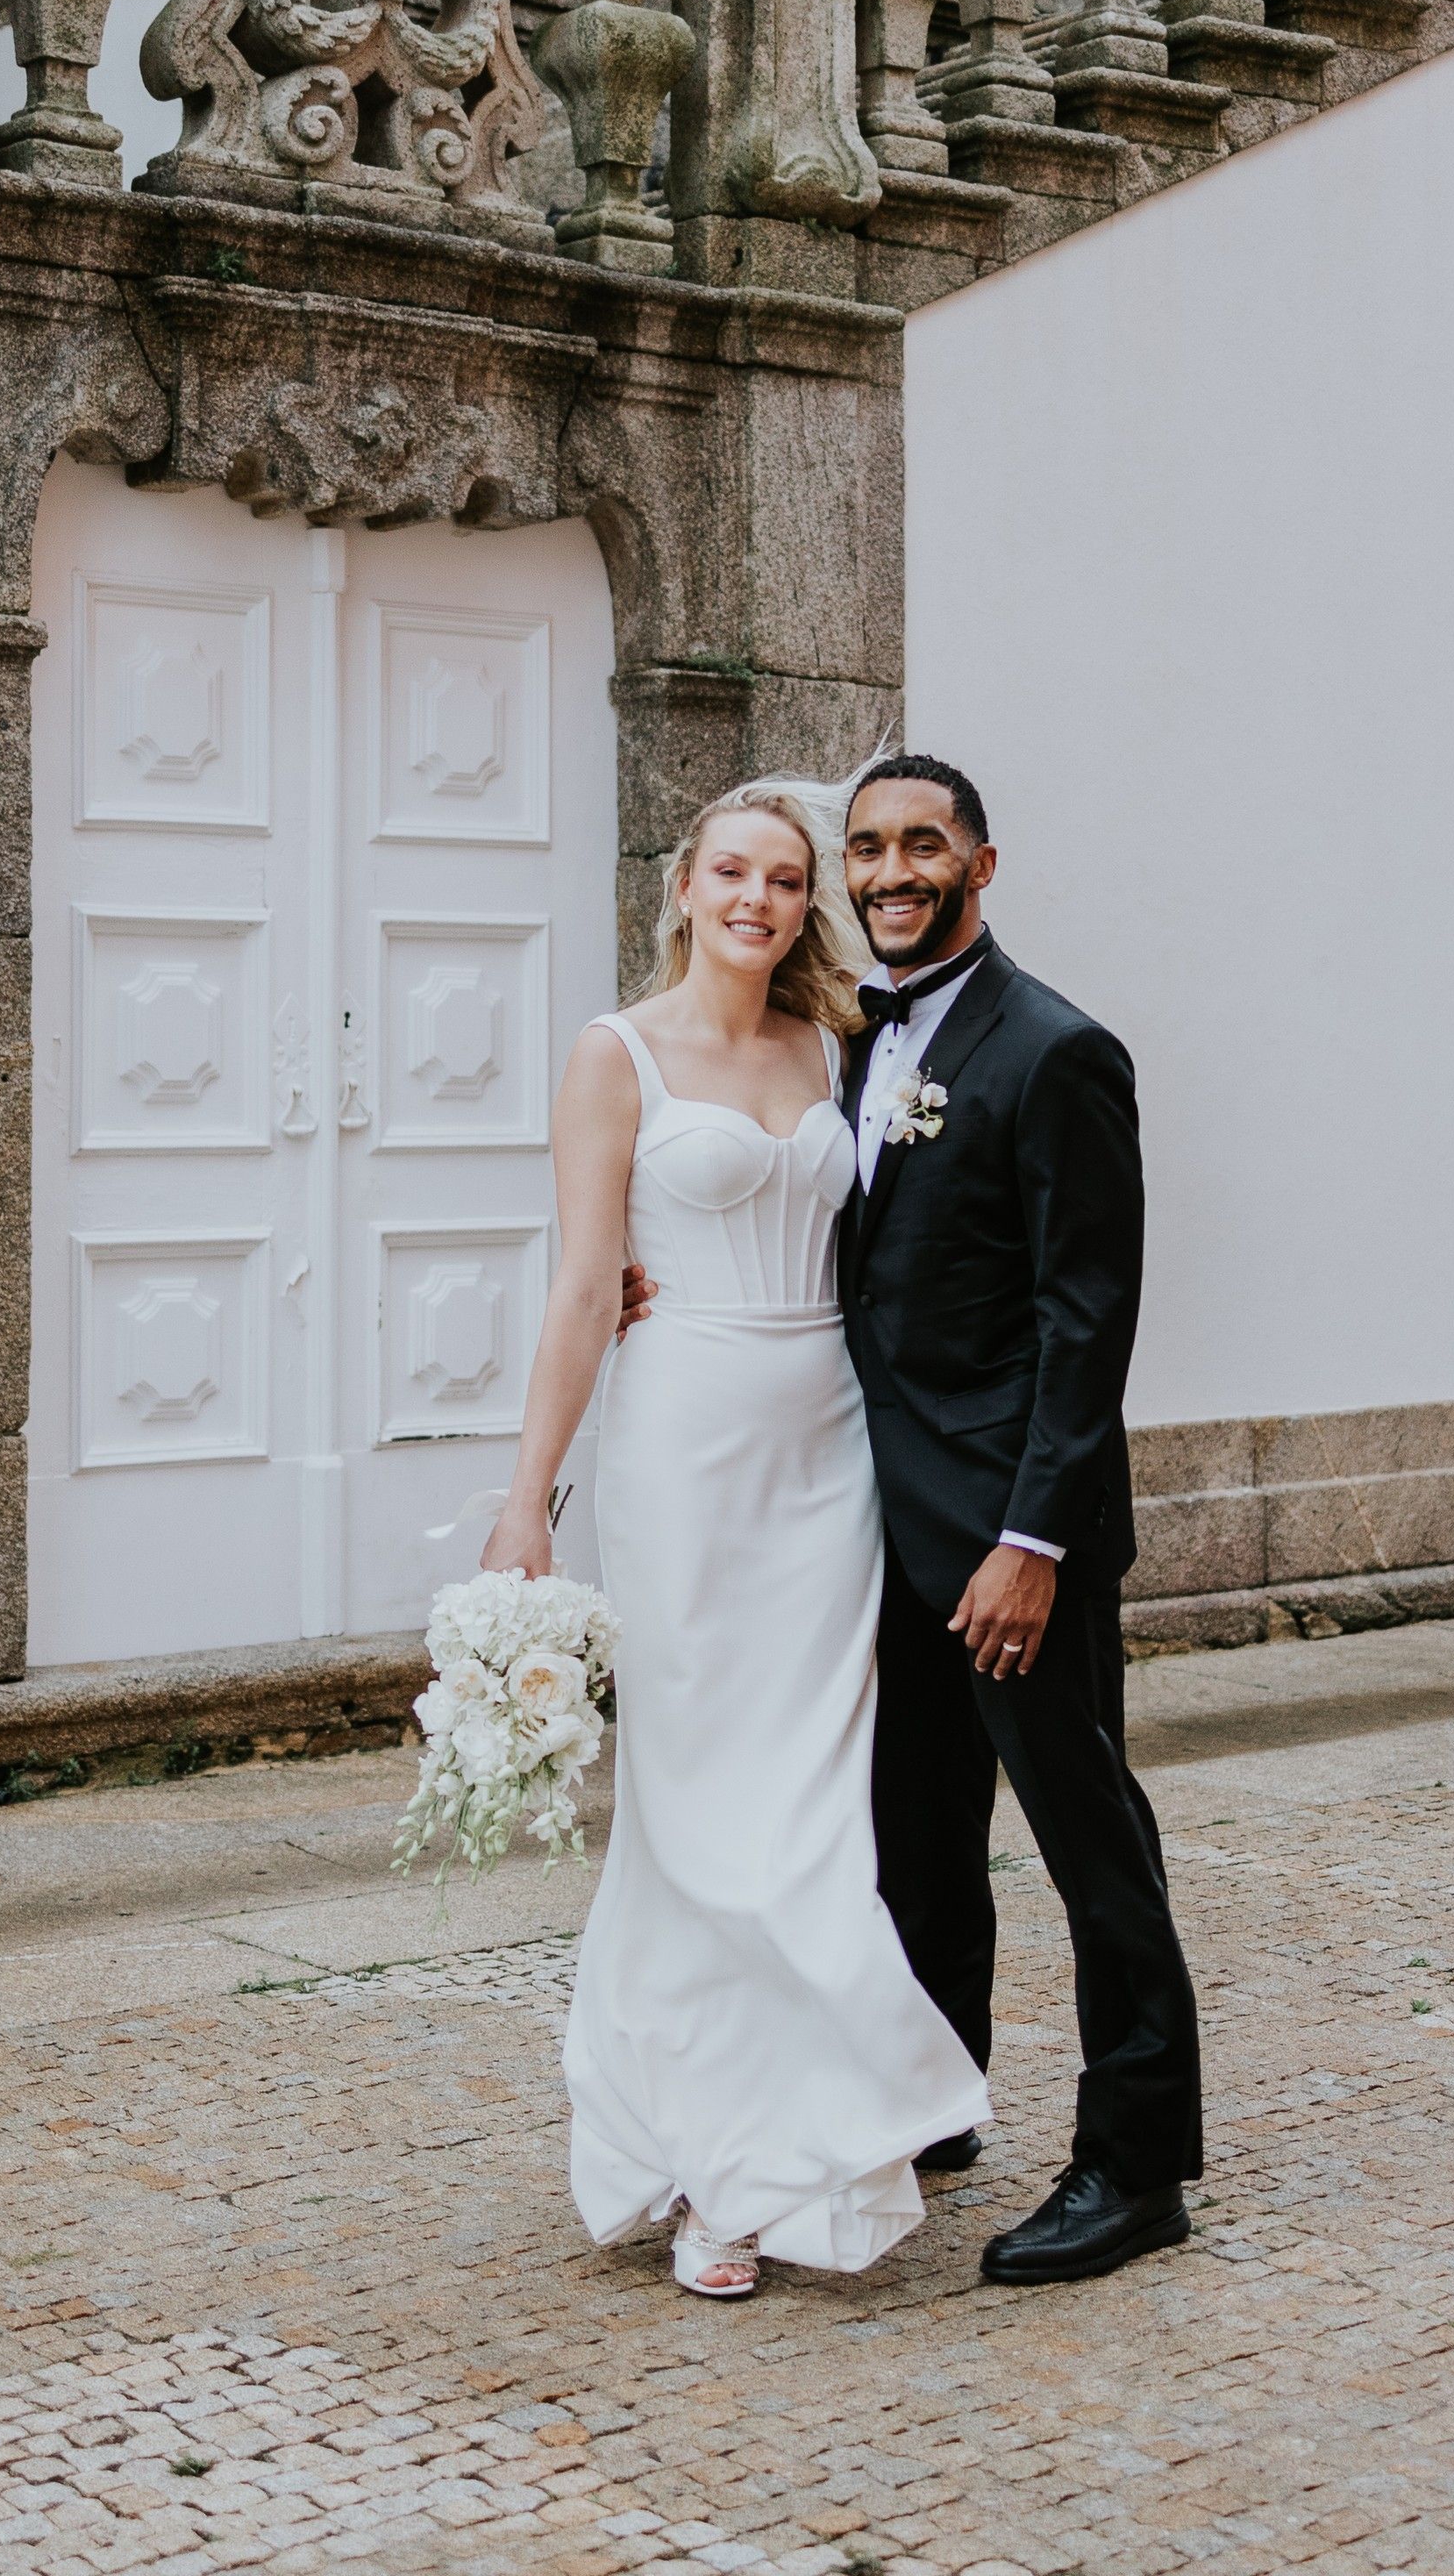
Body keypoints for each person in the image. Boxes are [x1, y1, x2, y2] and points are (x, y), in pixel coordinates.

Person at [479, 782, 987, 2301]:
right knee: (697, 1819)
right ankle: (706, 2163)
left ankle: (795, 2150)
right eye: (732, 874)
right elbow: (583, 1288)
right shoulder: (612, 1054)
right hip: (682, 1449)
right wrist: (528, 1496)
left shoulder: (838, 1050)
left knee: (813, 1807)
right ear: (683, 887)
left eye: (785, 877)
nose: (758, 898)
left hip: (828, 1448)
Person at [837, 755, 1201, 2285]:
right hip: (886, 1530)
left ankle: (1136, 2166)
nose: (889, 871)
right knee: (913, 1837)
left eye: (922, 844)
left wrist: (1032, 1545)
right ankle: (937, 2100)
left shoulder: (1055, 1052)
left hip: (1009, 1547)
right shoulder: (851, 1040)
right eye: (865, 848)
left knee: (1086, 1842)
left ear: (983, 863)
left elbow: (1085, 1320)